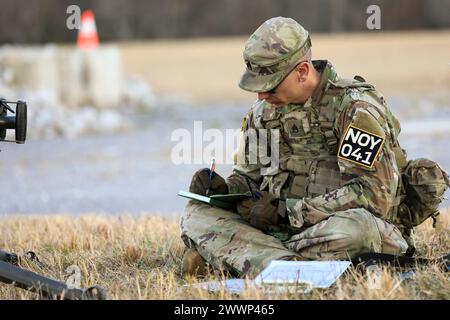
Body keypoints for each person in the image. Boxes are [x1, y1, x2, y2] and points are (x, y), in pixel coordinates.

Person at [180, 16, 413, 277]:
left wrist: (286, 212)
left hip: (334, 229)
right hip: (282, 232)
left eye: (270, 86)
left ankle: (243, 258)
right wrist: (224, 190)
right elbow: (249, 178)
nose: (261, 96)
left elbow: (373, 197)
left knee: (358, 231)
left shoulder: (354, 109)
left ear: (302, 72)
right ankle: (287, 266)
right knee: (195, 214)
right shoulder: (262, 113)